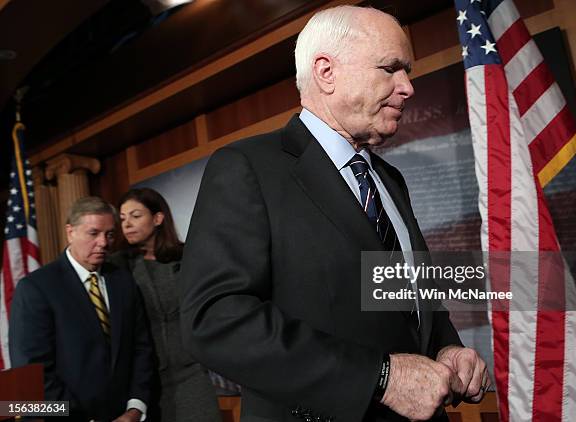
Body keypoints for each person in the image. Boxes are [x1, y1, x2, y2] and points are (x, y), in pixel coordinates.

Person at [180, 5, 490, 422]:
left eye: (408, 71)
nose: (407, 87)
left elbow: (405, 300)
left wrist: (445, 348)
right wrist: (379, 378)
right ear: (326, 72)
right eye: (391, 68)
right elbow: (215, 320)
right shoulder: (247, 167)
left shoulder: (389, 180)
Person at [9, 196, 154, 422]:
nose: (104, 243)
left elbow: (141, 349)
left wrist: (135, 408)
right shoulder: (36, 288)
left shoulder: (123, 282)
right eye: (93, 233)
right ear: (70, 232)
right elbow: (34, 374)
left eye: (109, 234)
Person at [113, 188, 221, 422]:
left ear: (158, 218)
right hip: (146, 384)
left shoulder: (187, 257)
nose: (127, 224)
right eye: (122, 219)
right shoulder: (119, 266)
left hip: (193, 374)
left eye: (135, 215)